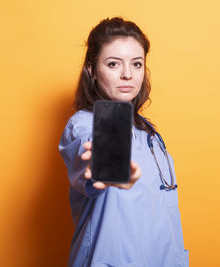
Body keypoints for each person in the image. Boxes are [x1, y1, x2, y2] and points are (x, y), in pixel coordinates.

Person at [59, 17, 189, 267]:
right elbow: (93, 155)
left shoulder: (147, 132)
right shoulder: (84, 124)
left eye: (137, 64)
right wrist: (106, 167)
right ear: (92, 70)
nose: (127, 74)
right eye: (113, 64)